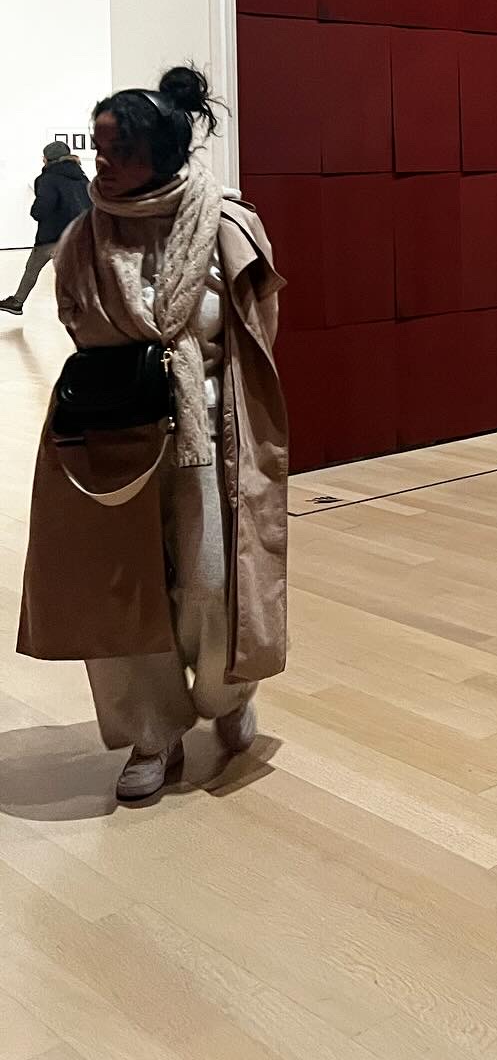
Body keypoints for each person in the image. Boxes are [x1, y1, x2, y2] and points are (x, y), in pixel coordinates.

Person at [17, 66, 289, 803]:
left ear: (160, 154)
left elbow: (257, 333)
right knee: (121, 589)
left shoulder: (228, 225)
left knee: (212, 582)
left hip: (209, 435)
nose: (101, 163)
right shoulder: (82, 238)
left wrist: (196, 387)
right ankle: (150, 733)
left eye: (119, 151)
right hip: (112, 435)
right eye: (99, 147)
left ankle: (228, 696)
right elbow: (78, 325)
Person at [0, 140, 92, 315]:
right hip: (79, 235)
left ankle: (18, 302)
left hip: (52, 236)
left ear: (47, 159)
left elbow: (41, 209)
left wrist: (35, 211)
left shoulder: (47, 179)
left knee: (32, 268)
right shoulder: (82, 179)